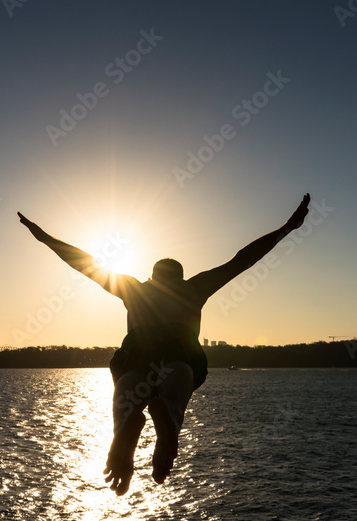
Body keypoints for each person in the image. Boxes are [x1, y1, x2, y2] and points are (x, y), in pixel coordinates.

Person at [18, 193, 310, 495]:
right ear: (180, 278)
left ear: (151, 277)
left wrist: (44, 237)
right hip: (179, 351)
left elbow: (84, 263)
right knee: (175, 390)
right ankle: (168, 420)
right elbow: (242, 259)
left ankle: (124, 431)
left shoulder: (133, 289)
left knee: (127, 394)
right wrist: (286, 228)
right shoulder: (194, 288)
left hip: (137, 352)